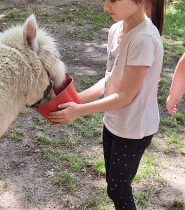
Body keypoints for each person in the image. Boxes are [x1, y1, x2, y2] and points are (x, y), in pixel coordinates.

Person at [49, 0, 166, 209]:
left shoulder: (144, 39)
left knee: (118, 189)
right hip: (114, 121)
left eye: (113, 0)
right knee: (114, 184)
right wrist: (74, 101)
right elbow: (110, 79)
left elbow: (126, 95)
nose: (105, 6)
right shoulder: (116, 29)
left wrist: (79, 111)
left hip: (134, 128)